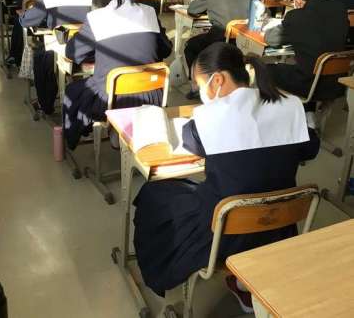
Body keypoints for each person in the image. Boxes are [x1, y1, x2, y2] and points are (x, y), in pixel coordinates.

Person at [133, 43, 320, 308]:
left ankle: (159, 269)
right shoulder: (289, 106)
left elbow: (191, 142)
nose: (200, 93)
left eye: (200, 86)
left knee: (155, 194)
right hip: (279, 227)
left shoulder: (209, 117)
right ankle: (244, 286)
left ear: (218, 79)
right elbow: (311, 148)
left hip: (221, 233)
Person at [63, 0, 172, 149]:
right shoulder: (149, 12)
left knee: (73, 90)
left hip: (110, 99)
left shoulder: (97, 18)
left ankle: (71, 141)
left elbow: (72, 52)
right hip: (153, 95)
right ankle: (119, 133)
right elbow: (165, 49)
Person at [20, 0, 93, 115]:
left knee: (40, 56)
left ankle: (46, 104)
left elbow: (29, 21)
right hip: (87, 48)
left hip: (60, 46)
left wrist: (22, 16)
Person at [266, 0, 349, 101]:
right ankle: (309, 110)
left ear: (298, 1)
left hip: (309, 85)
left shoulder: (295, 17)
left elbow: (271, 39)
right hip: (337, 84)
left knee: (264, 69)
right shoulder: (340, 9)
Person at [184, 0, 253, 98]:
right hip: (246, 40)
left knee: (190, 46)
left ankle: (197, 86)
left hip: (221, 37)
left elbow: (192, 9)